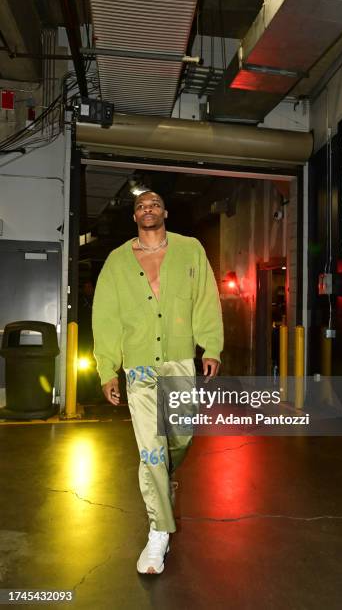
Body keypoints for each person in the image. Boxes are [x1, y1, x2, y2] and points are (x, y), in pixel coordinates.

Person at [92, 190, 223, 575]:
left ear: (164, 212)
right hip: (139, 369)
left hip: (181, 362)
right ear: (134, 217)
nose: (147, 208)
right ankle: (158, 531)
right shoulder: (117, 262)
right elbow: (106, 317)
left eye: (153, 204)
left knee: (180, 437)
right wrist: (106, 369)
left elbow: (205, 300)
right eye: (140, 206)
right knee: (151, 450)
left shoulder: (190, 249)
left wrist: (211, 347)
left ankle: (165, 479)